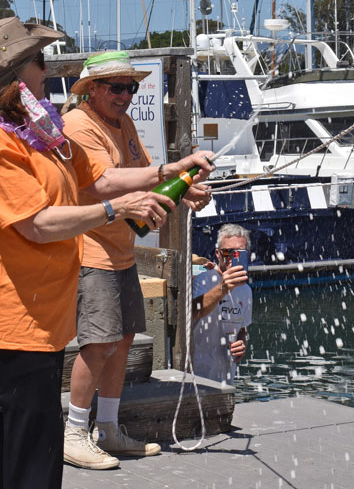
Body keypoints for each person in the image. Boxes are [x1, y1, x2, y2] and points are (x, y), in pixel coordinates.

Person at [0, 18, 212, 488]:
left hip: (42, 318)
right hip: (1, 319)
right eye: (41, 60)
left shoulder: (43, 132)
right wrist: (116, 209)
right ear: (16, 74)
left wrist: (172, 174)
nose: (48, 69)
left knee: (31, 459)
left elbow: (99, 179)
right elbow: (37, 223)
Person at [60, 51, 213, 470]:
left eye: (132, 87)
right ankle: (73, 432)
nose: (126, 95)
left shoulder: (123, 123)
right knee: (99, 343)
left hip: (122, 250)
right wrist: (175, 167)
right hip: (90, 248)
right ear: (92, 89)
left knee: (124, 340)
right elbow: (104, 181)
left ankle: (107, 427)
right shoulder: (77, 124)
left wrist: (186, 190)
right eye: (117, 87)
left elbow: (149, 175)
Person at [192, 224, 253, 386]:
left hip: (224, 380)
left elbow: (242, 329)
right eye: (228, 252)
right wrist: (223, 288)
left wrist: (241, 344)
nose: (233, 258)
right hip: (193, 376)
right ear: (218, 254)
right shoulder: (201, 280)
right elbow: (192, 313)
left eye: (239, 253)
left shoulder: (246, 290)